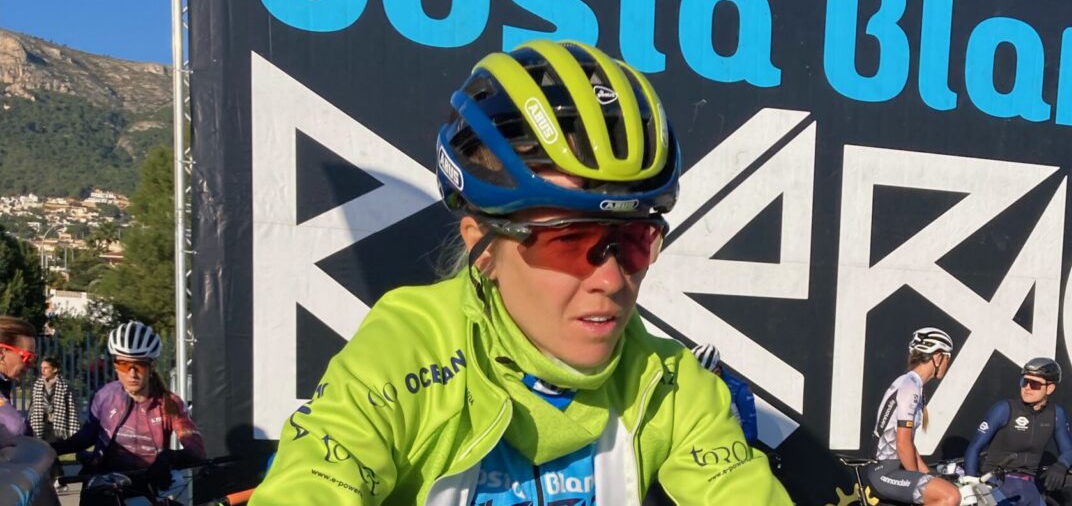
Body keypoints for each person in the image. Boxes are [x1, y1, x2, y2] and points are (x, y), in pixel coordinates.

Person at [250, 40, 791, 505]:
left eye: (633, 241)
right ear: (482, 246)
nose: (610, 280)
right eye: (568, 242)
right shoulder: (405, 352)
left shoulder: (668, 380)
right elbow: (312, 482)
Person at [53, 321, 205, 497]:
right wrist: (50, 449)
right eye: (124, 365)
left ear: (151, 367)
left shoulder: (169, 403)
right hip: (102, 485)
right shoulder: (104, 395)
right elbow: (86, 436)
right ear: (115, 365)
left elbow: (197, 451)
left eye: (139, 365)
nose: (132, 373)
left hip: (146, 487)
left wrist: (169, 457)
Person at [866, 327, 961, 506]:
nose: (947, 364)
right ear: (938, 357)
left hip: (893, 469)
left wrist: (928, 473)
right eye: (948, 358)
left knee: (946, 487)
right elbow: (903, 444)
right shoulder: (910, 386)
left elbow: (908, 443)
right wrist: (916, 476)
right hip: (885, 472)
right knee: (950, 496)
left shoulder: (913, 385)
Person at [963, 357, 1072, 505]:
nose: (1027, 387)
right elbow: (973, 448)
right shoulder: (1003, 409)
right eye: (1025, 381)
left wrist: (1061, 465)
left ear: (1050, 388)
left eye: (1035, 384)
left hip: (1029, 487)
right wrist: (972, 485)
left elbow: (1069, 450)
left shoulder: (1056, 414)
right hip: (995, 483)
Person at [692, 343, 758, 443]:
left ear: (717, 372)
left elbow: (750, 435)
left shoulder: (741, 390)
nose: (697, 381)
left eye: (703, 376)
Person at [0, 315, 37, 440]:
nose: (31, 364)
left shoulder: (4, 383)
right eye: (27, 357)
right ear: (1, 353)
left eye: (34, 358)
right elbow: (16, 427)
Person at [29, 356, 81, 442]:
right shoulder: (37, 385)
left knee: (54, 446)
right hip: (40, 423)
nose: (42, 370)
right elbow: (33, 406)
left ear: (55, 369)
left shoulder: (65, 386)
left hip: (57, 425)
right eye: (41, 367)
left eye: (46, 368)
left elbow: (72, 409)